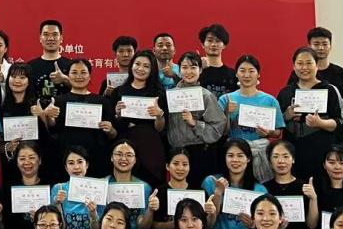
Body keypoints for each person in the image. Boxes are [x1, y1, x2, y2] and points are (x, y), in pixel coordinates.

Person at [277, 46, 343, 181]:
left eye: (309, 63)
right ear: (294, 66)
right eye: (300, 63)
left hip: (322, 154)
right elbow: (276, 126)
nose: (304, 67)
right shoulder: (285, 92)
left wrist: (320, 123)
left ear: (317, 65)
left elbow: (340, 122)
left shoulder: (329, 90)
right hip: (293, 155)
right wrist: (286, 116)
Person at [165, 51, 229, 183]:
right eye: (184, 67)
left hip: (201, 153)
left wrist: (194, 123)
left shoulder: (207, 96)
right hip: (176, 153)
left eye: (193, 67)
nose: (189, 72)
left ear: (200, 70)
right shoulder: (171, 96)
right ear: (179, 70)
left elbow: (218, 127)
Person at [47, 57, 115, 177]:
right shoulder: (58, 101)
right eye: (74, 72)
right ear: (68, 76)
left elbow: (113, 134)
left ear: (89, 76)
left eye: (83, 72)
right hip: (66, 159)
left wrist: (110, 130)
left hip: (96, 158)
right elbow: (51, 127)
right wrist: (49, 117)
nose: (79, 76)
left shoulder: (102, 101)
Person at [219, 55, 284, 170]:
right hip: (234, 154)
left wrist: (268, 132)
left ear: (258, 74)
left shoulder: (270, 100)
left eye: (251, 71)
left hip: (261, 153)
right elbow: (219, 131)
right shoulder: (226, 99)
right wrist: (227, 113)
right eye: (242, 71)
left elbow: (278, 132)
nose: (247, 75)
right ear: (236, 74)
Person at [112, 49, 167, 183]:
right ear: (132, 65)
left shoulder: (159, 93)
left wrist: (159, 115)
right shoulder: (119, 91)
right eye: (137, 64)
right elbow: (113, 127)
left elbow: (160, 128)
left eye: (146, 66)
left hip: (150, 145)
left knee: (151, 183)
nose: (140, 69)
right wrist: (117, 115)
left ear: (152, 70)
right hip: (125, 143)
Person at [204, 139, 267, 229]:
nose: (235, 160)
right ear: (225, 158)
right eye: (230, 155)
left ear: (248, 158)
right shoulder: (211, 182)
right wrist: (218, 193)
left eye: (240, 156)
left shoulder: (260, 190)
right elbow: (207, 224)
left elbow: (266, 223)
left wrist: (254, 225)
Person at [52, 146, 101, 229]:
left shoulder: (98, 190)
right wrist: (56, 204)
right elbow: (52, 228)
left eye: (80, 162)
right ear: (66, 168)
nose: (76, 167)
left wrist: (93, 214)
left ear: (87, 165)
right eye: (71, 163)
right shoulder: (58, 189)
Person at [286, 27, 343, 96]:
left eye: (325, 44)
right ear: (309, 46)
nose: (321, 48)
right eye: (316, 44)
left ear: (330, 46)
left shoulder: (342, 75)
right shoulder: (300, 73)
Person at [28, 19, 74, 98]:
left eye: (55, 34)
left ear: (61, 38)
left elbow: (82, 89)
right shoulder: (29, 66)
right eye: (46, 34)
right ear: (40, 38)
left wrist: (65, 79)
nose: (50, 38)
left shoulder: (71, 65)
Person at [197, 24, 237, 99]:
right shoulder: (196, 73)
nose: (213, 44)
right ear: (202, 44)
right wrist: (199, 69)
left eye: (218, 41)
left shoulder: (233, 75)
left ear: (224, 45)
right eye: (210, 40)